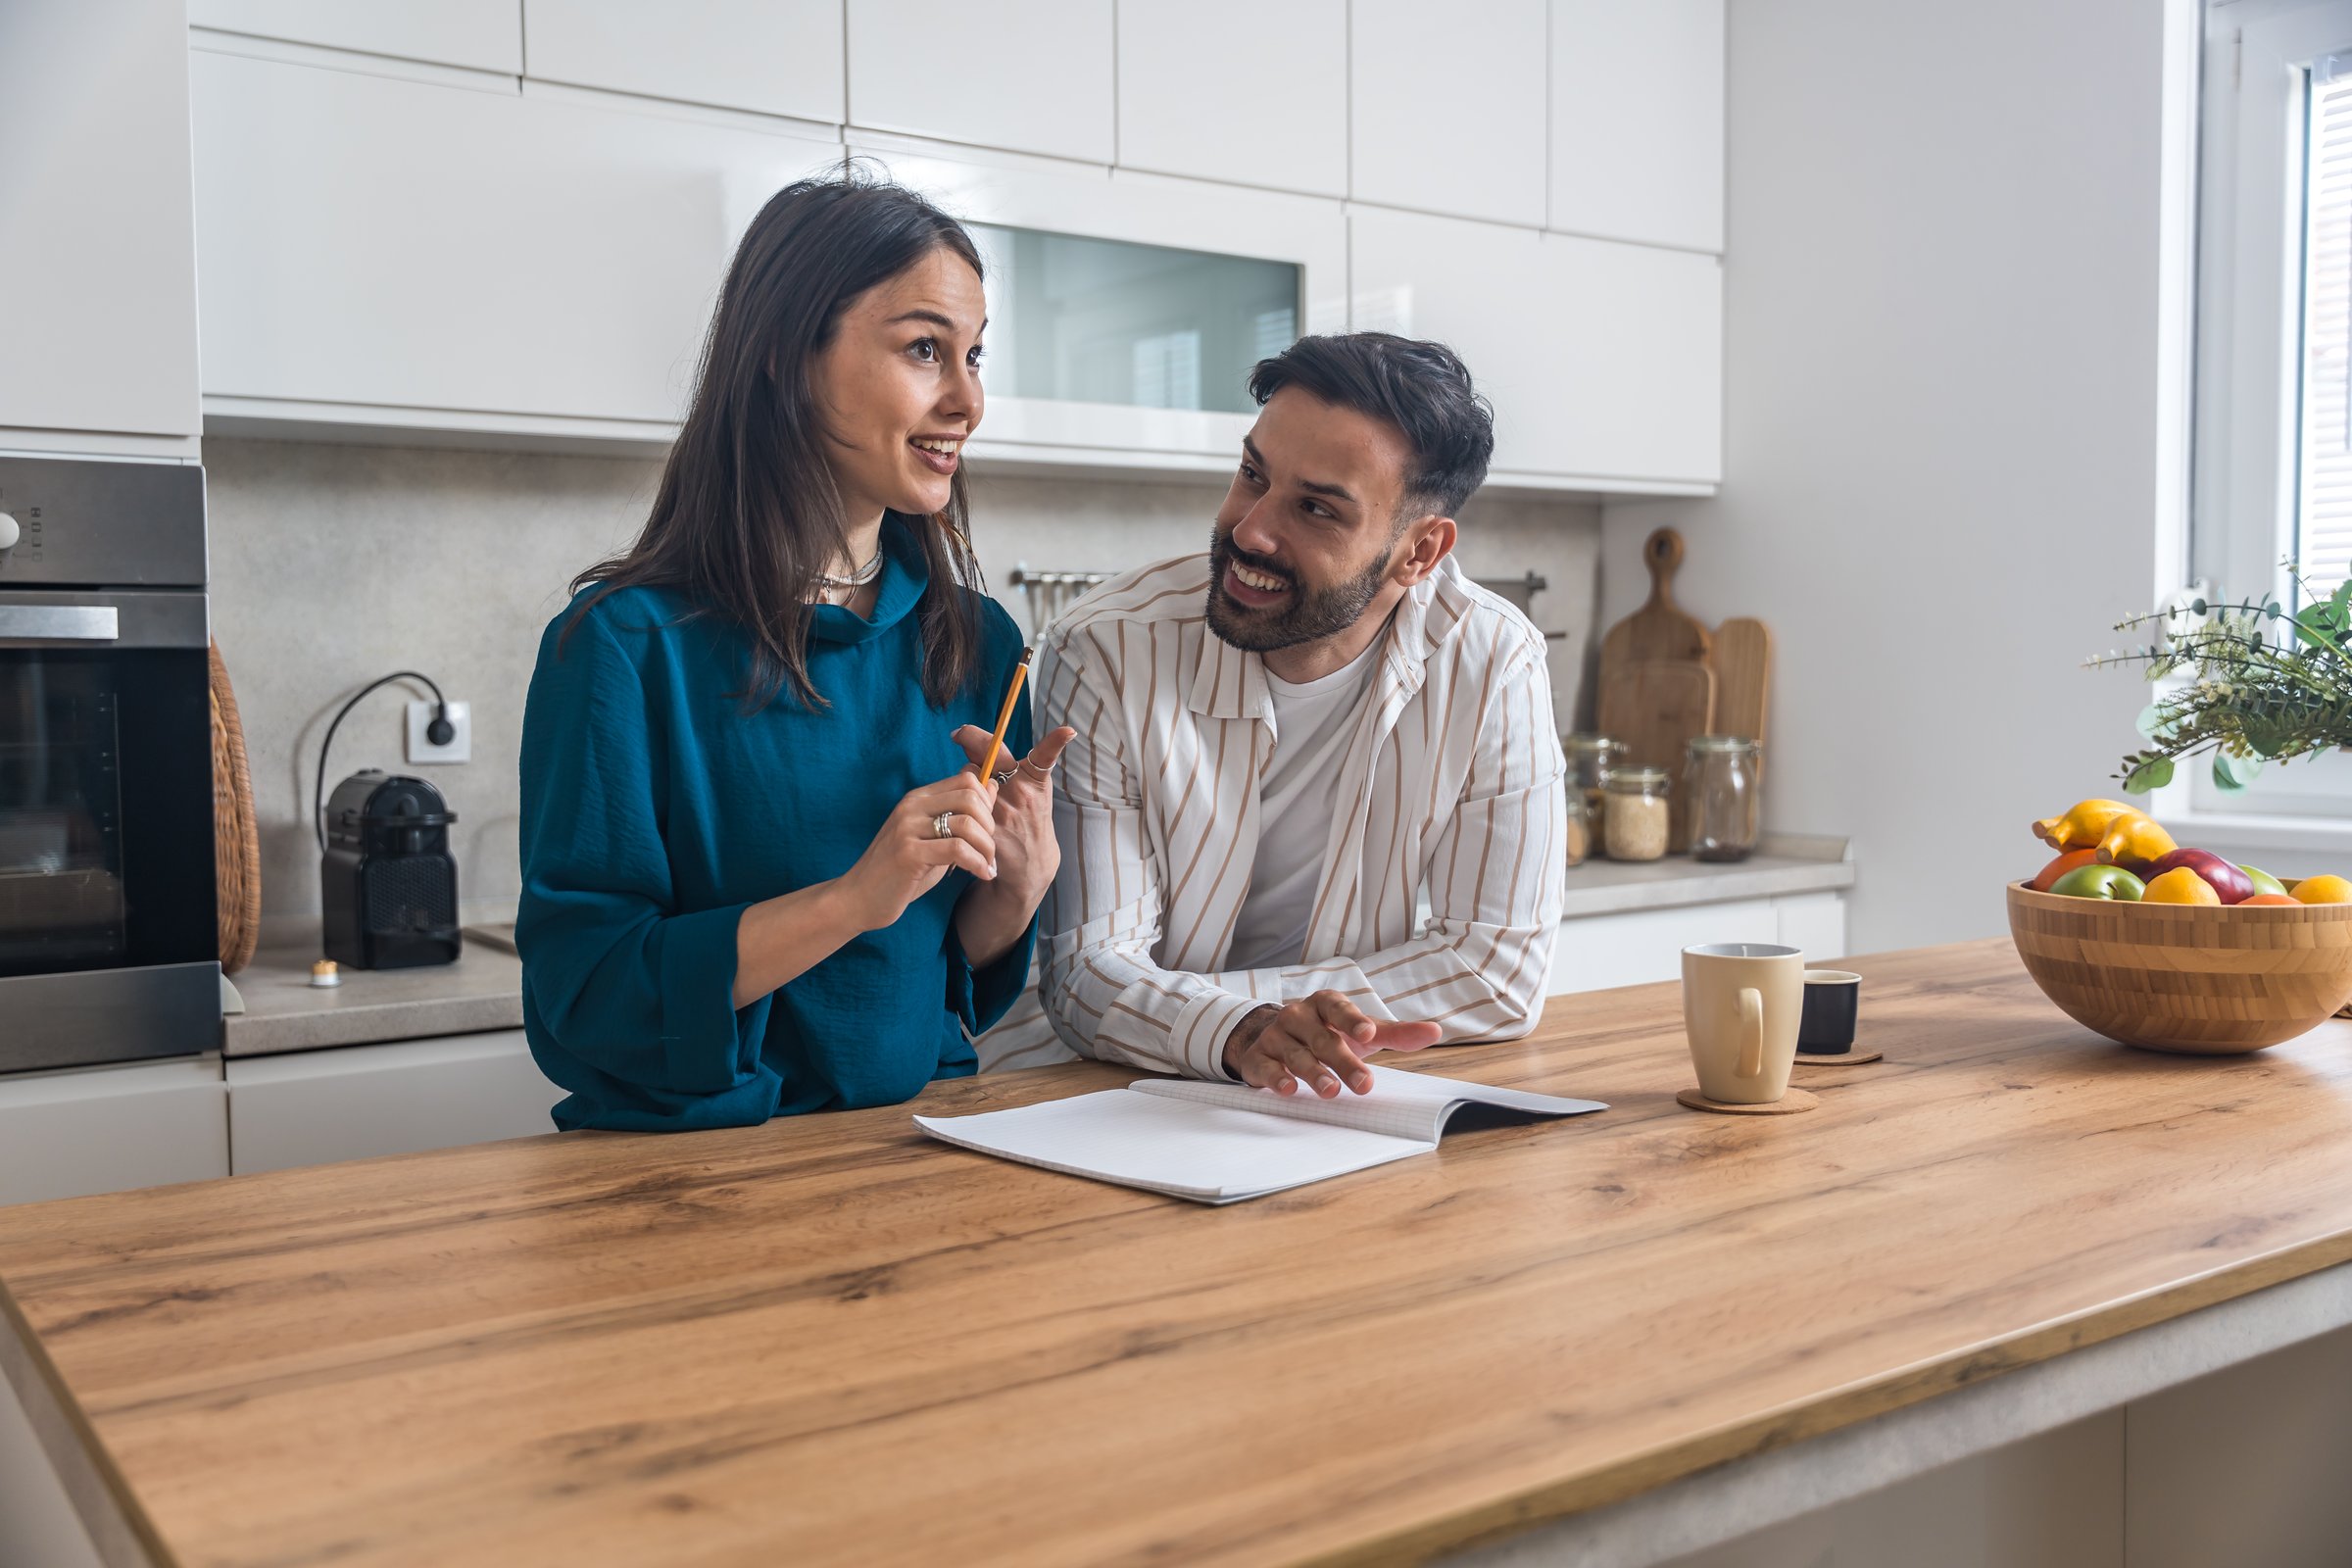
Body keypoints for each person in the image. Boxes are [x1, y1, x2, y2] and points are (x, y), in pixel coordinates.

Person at [516, 172, 1072, 1132]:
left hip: (907, 1157)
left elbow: (946, 978)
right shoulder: (617, 648)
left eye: (974, 355)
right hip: (686, 1185)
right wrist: (853, 897)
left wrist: (1016, 891)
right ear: (784, 354)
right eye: (925, 349)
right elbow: (585, 997)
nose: (968, 399)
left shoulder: (981, 645)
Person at [1009, 332, 1566, 1096]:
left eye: (1315, 509)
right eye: (1251, 475)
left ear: (1420, 552)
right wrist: (1246, 1032)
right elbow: (1085, 977)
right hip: (1106, 1092)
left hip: (1327, 1095)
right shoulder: (1107, 649)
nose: (1250, 530)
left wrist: (1252, 1028)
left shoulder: (1495, 662)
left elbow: (1497, 973)